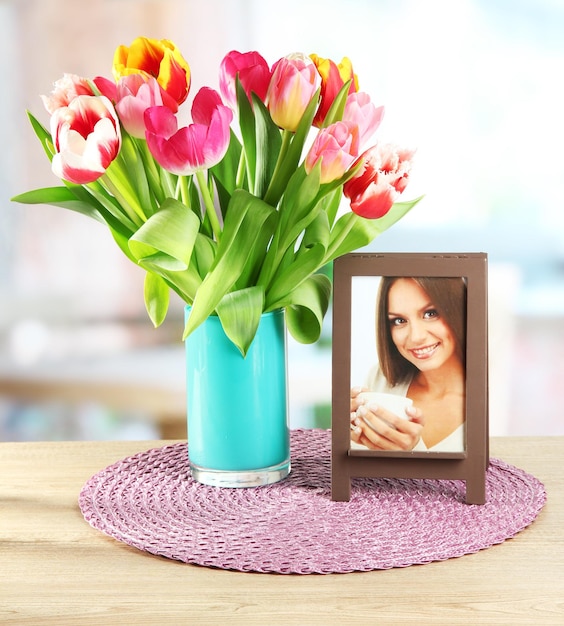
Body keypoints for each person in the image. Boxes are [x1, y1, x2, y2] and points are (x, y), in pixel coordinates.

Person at [350, 276, 467, 452]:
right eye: (399, 320)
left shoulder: (491, 401)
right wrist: (349, 439)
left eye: (430, 313)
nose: (415, 337)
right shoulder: (380, 379)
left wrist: (412, 454)